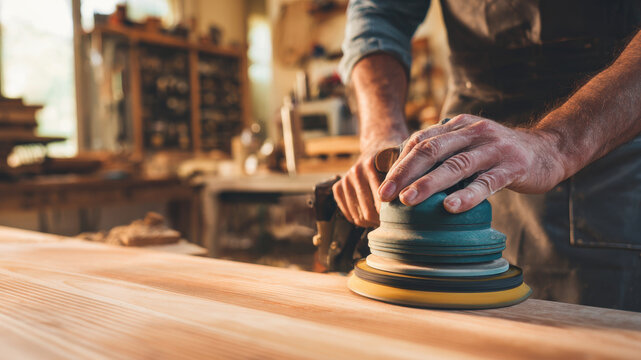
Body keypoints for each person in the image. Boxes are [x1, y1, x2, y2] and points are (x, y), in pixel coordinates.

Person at [335, 0, 641, 311]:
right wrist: (381, 136)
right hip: (463, 140)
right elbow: (380, 14)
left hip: (609, 144)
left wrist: (559, 144)